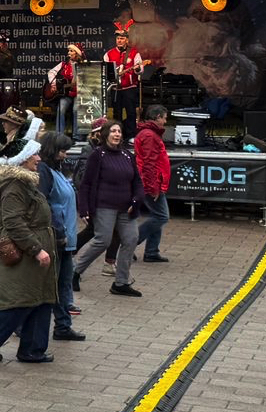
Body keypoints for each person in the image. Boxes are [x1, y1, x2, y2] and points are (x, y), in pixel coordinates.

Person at [0, 122, 59, 362]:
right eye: (34, 155)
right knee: (22, 301)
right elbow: (13, 222)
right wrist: (36, 249)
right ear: (22, 159)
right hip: (24, 253)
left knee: (39, 300)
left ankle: (33, 349)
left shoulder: (24, 182)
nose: (38, 158)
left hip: (33, 250)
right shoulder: (14, 186)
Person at [74, 121, 144, 299]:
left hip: (126, 208)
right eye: (113, 131)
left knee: (131, 239)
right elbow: (86, 184)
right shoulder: (98, 155)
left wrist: (136, 199)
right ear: (105, 134)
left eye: (119, 131)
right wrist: (84, 208)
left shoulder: (127, 155)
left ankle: (121, 283)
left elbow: (137, 181)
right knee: (103, 240)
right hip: (104, 206)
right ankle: (75, 272)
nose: (117, 134)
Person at [37, 129, 84, 341]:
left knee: (64, 284)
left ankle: (63, 326)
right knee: (50, 285)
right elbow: (44, 204)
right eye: (62, 151)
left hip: (65, 238)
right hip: (56, 238)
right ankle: (23, 324)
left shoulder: (56, 170)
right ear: (52, 150)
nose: (66, 154)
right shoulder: (45, 172)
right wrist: (58, 230)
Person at [133, 105, 172, 263]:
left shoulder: (148, 134)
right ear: (157, 117)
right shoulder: (150, 135)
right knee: (162, 216)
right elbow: (149, 163)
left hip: (152, 181)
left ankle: (151, 251)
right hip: (152, 182)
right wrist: (153, 187)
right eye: (164, 117)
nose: (165, 121)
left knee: (157, 216)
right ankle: (130, 243)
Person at [104, 28, 148, 124]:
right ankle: (117, 131)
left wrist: (137, 69)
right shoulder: (109, 54)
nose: (119, 40)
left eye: (122, 38)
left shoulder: (134, 53)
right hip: (115, 88)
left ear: (127, 40)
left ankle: (130, 132)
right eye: (118, 38)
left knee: (131, 112)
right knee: (116, 113)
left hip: (129, 88)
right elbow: (105, 70)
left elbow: (140, 70)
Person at [44, 42, 84, 135]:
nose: (69, 53)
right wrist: (53, 84)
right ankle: (59, 134)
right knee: (61, 109)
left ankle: (77, 136)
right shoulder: (64, 64)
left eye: (71, 51)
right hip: (66, 94)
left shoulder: (82, 65)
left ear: (77, 53)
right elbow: (51, 72)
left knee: (76, 110)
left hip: (79, 94)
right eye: (69, 51)